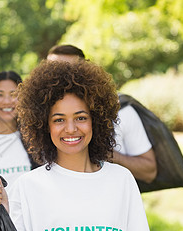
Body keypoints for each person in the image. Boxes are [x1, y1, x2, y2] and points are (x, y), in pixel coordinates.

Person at [0, 60, 160, 231]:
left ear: (96, 120)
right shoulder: (27, 187)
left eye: (80, 117)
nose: (70, 128)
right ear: (43, 125)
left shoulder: (122, 181)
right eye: (58, 119)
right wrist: (1, 212)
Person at [47, 44, 157, 184]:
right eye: (52, 72)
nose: (62, 80)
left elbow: (149, 171)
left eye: (70, 72)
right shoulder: (35, 119)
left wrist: (102, 151)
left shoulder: (122, 112)